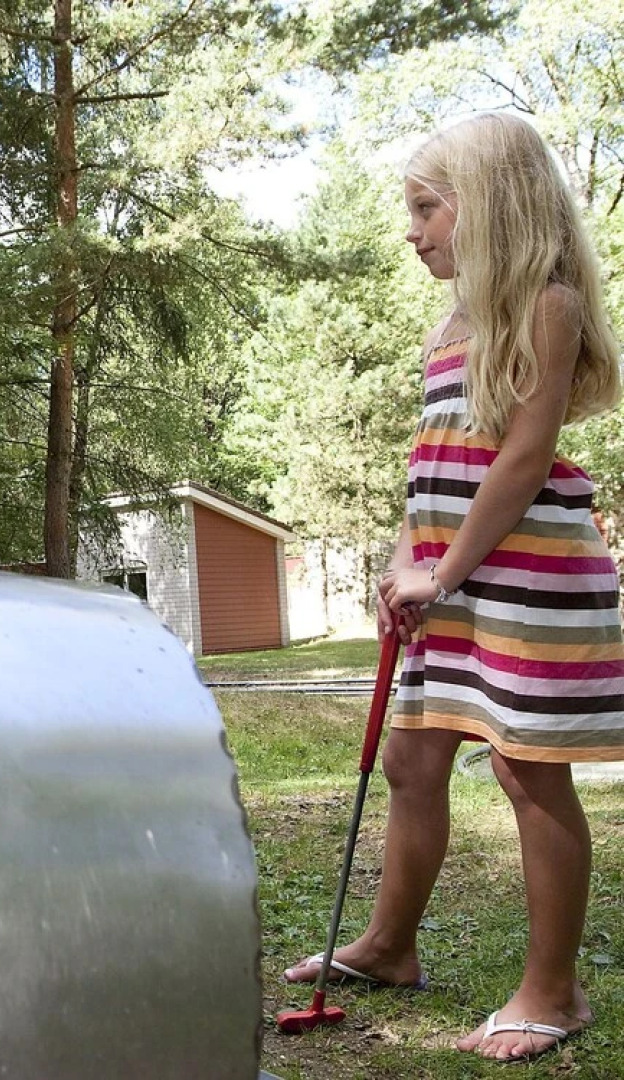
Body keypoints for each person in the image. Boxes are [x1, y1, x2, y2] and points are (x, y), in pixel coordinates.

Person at [283, 112, 624, 1063]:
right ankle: (390, 946)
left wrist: (444, 568)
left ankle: (555, 991)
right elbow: (434, 465)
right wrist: (406, 562)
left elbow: (520, 462)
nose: (412, 229)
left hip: (526, 575)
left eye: (427, 208)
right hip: (452, 577)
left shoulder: (545, 305)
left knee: (526, 768)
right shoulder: (449, 324)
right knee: (413, 762)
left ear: (493, 206)